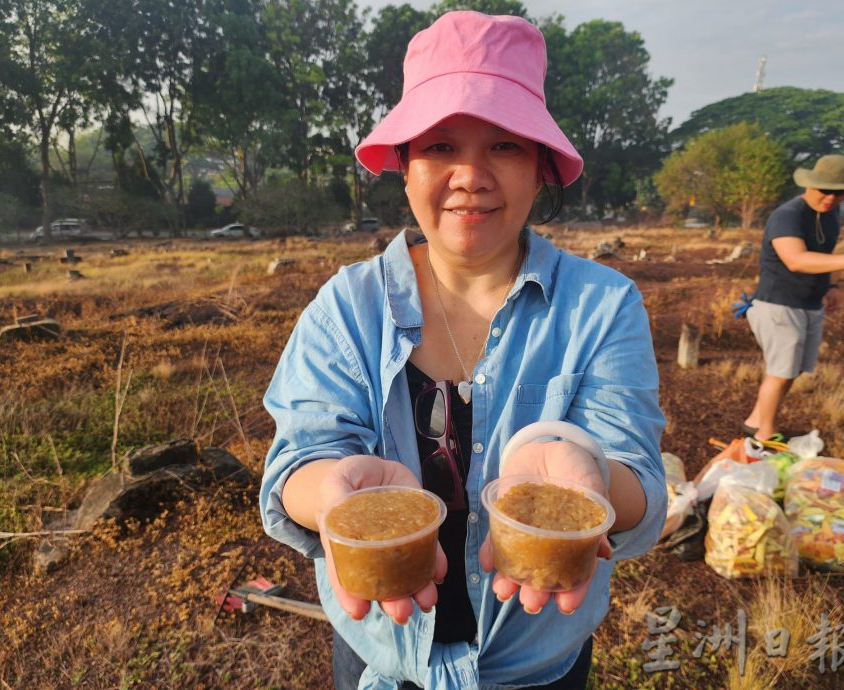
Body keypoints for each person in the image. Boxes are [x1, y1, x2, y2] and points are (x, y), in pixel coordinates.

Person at [259, 11, 666, 689]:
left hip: (538, 662)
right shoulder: (347, 308)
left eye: (504, 145)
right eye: (442, 145)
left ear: (540, 167)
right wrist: (332, 495)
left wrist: (587, 468)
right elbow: (298, 462)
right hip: (380, 653)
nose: (470, 175)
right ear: (407, 164)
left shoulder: (603, 306)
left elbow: (640, 484)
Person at [742, 154, 844, 441]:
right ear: (810, 185)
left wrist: (829, 286)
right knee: (780, 372)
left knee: (791, 371)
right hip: (778, 304)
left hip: (808, 304)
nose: (831, 197)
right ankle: (764, 437)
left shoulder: (830, 214)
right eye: (825, 190)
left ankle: (755, 422)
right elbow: (796, 260)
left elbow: (822, 257)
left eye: (839, 192)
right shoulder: (788, 215)